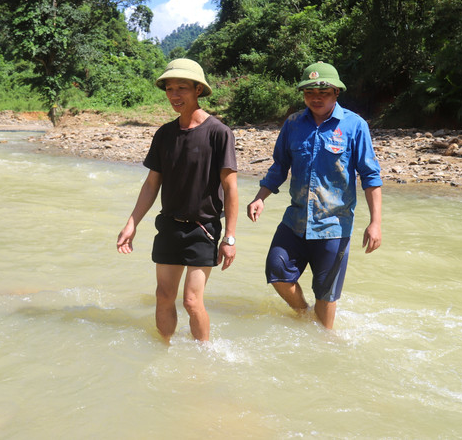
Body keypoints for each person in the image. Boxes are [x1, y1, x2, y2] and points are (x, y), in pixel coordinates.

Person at [246, 61, 382, 329]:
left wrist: (375, 222)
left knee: (326, 294)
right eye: (309, 93)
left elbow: (370, 176)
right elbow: (279, 166)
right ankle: (303, 315)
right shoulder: (293, 124)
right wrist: (260, 197)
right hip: (295, 221)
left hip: (334, 225)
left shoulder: (354, 125)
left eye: (323, 92)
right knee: (276, 271)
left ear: (336, 93)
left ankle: (323, 340)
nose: (316, 98)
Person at [117, 58, 238, 343]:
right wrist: (132, 223)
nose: (174, 95)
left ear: (198, 90)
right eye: (170, 89)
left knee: (192, 302)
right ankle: (164, 350)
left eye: (182, 88)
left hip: (203, 228)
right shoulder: (165, 134)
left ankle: (204, 354)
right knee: (163, 295)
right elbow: (151, 184)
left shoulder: (218, 133)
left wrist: (230, 238)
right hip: (170, 225)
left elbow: (231, 188)